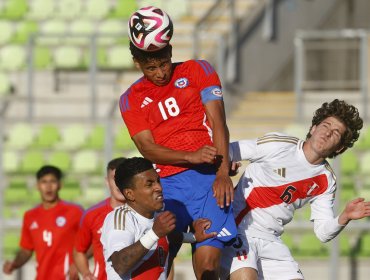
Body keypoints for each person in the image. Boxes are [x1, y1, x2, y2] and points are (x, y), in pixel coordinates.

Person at [119, 7, 237, 279]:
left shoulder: (199, 70)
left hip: (209, 182)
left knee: (209, 267)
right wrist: (191, 156)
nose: (160, 72)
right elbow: (147, 148)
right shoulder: (131, 98)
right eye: (151, 68)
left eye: (163, 64)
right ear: (137, 63)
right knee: (160, 258)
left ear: (170, 51)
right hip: (166, 186)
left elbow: (219, 123)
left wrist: (221, 175)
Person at [220, 99, 370, 280]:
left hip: (271, 239)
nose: (327, 133)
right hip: (239, 229)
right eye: (325, 125)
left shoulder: (326, 180)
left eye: (336, 132)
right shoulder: (279, 144)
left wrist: (344, 217)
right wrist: (225, 168)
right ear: (313, 128)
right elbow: (229, 150)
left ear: (340, 147)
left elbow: (322, 233)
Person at [100, 157, 217, 279]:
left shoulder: (158, 214)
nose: (159, 188)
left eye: (158, 181)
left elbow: (168, 236)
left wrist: (193, 237)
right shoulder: (121, 218)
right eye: (149, 184)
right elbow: (119, 264)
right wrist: (154, 233)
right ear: (130, 194)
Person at [3, 165, 84, 279]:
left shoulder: (75, 212)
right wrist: (15, 264)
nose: (48, 187)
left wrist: (78, 264)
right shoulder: (30, 216)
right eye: (44, 182)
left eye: (53, 181)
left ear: (60, 185)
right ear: (37, 186)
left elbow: (91, 241)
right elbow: (26, 249)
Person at [74, 157, 127, 280]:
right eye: (114, 179)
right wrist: (86, 273)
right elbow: (79, 251)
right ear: (107, 181)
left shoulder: (144, 213)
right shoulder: (92, 214)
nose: (119, 183)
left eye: (123, 178)